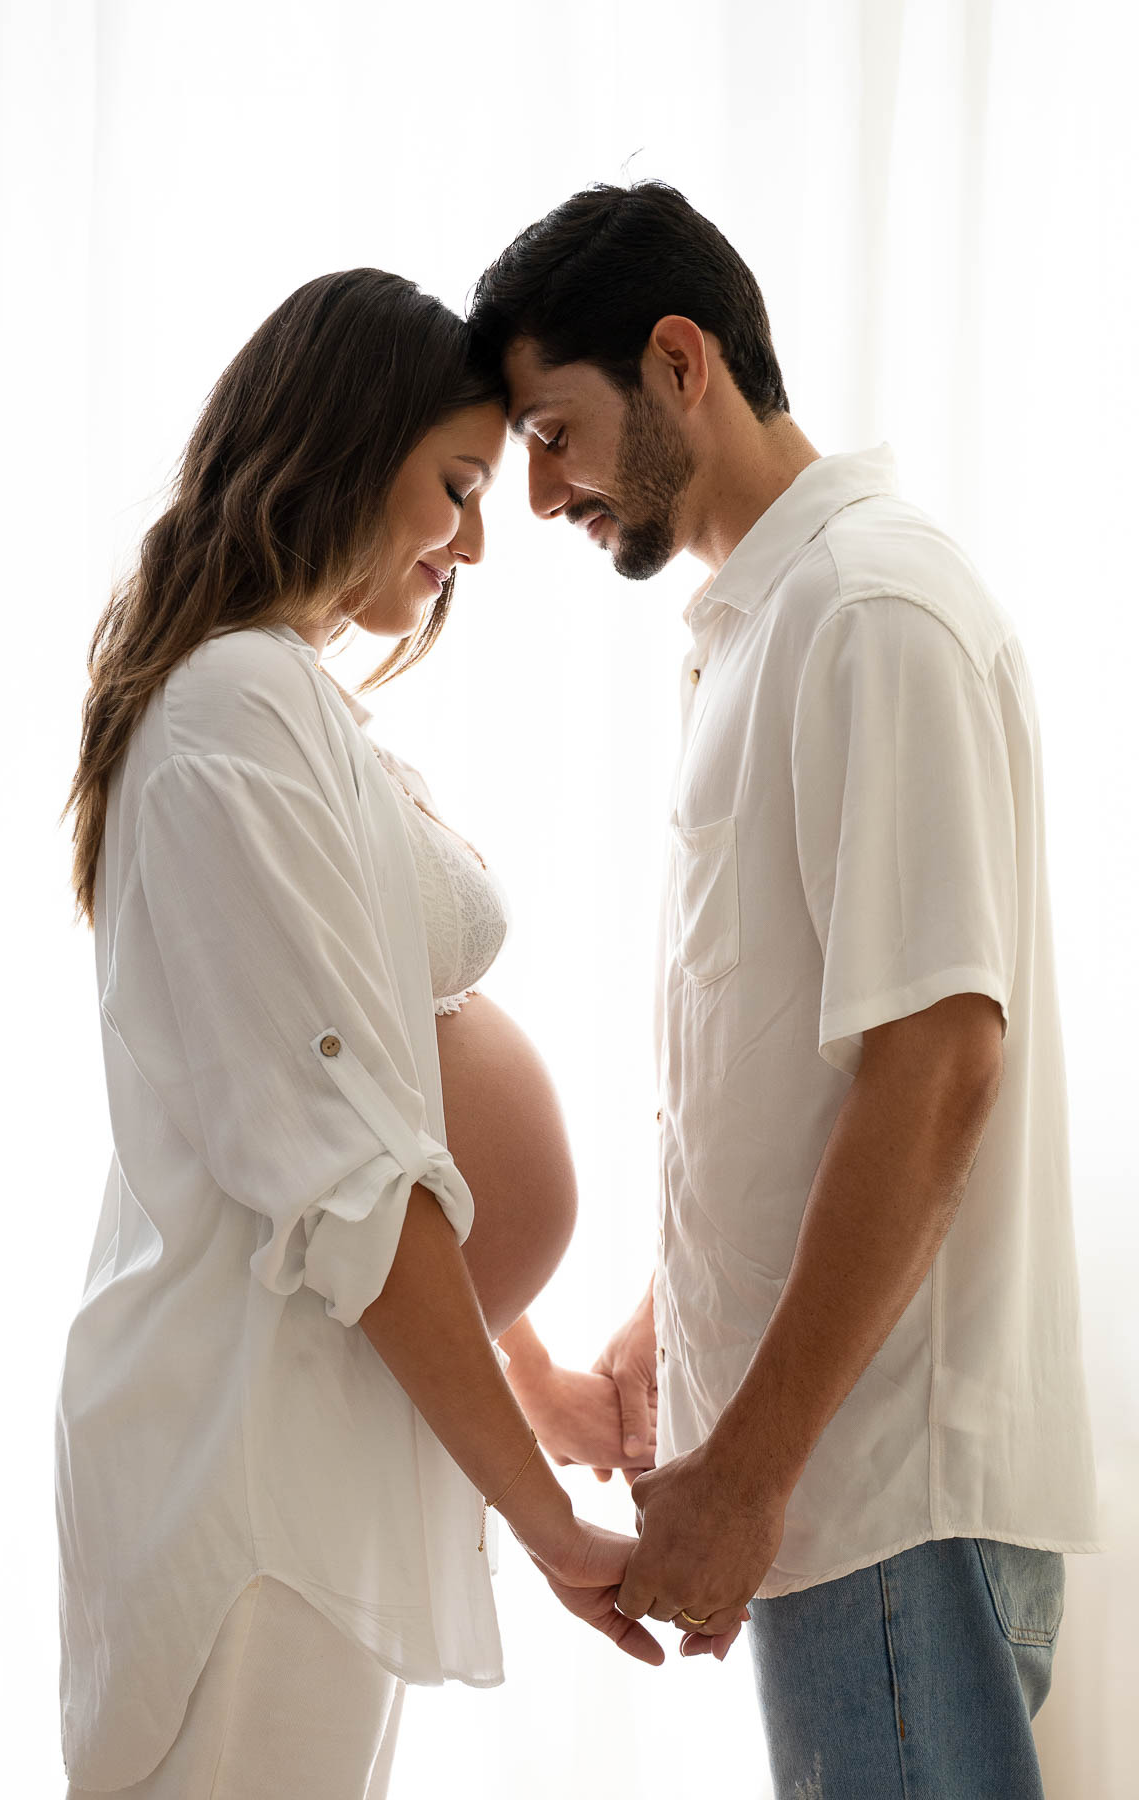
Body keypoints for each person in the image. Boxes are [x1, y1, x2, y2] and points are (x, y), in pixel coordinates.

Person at [469, 180, 1099, 1799]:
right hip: (836, 1494)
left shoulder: (868, 611)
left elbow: (938, 1063)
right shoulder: (763, 628)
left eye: (555, 432)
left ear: (682, 361)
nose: (541, 496)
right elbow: (798, 1080)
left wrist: (745, 1471)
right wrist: (679, 1324)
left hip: (878, 1491)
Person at [55, 268, 662, 1800]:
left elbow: (369, 1107)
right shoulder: (236, 710)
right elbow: (342, 1173)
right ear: (340, 446)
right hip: (250, 1468)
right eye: (455, 487)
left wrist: (531, 1379)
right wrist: (545, 1519)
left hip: (314, 1448)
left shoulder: (286, 702)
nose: (470, 542)